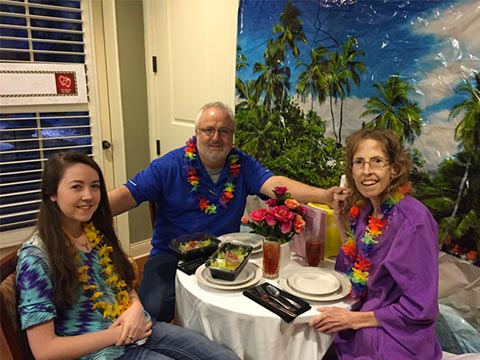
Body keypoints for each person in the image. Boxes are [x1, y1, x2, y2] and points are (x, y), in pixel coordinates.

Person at [108, 101, 343, 322]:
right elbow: (129, 194)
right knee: (153, 309)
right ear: (197, 133)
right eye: (208, 130)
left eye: (224, 131)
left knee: (243, 309)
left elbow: (276, 185)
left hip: (225, 254)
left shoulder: (242, 164)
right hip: (172, 255)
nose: (216, 137)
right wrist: (83, 212)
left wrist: (324, 196)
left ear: (232, 137)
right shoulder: (168, 165)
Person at [16, 152, 240, 360]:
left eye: (95, 186)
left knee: (225, 357)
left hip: (139, 328)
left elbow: (122, 284)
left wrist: (134, 308)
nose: (88, 195)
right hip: (101, 352)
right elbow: (45, 350)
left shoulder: (94, 230)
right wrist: (118, 334)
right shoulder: (36, 257)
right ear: (52, 193)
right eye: (76, 187)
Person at [309, 128, 442, 359]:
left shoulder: (414, 221)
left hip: (397, 339)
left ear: (394, 168)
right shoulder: (367, 210)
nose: (366, 171)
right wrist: (340, 220)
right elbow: (354, 270)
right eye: (359, 162)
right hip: (362, 327)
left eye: (377, 161)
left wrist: (351, 320)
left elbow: (420, 308)